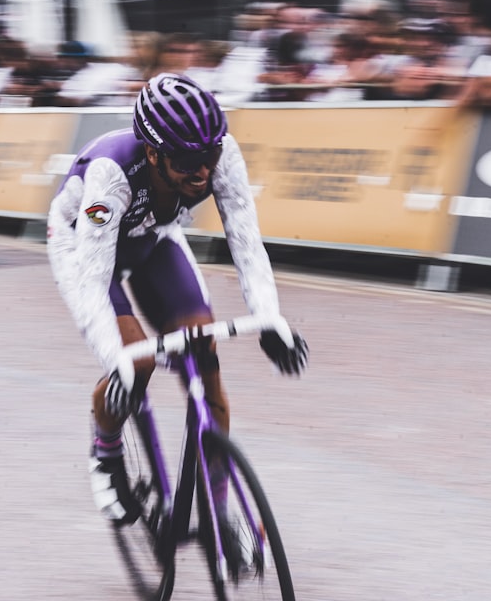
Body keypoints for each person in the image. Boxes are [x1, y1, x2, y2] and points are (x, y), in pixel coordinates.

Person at [46, 72, 308, 524]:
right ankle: (105, 452)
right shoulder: (110, 177)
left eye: (209, 155)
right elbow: (93, 280)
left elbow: (246, 241)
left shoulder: (222, 155)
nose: (203, 171)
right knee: (138, 363)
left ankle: (217, 514)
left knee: (202, 355)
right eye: (189, 161)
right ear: (152, 153)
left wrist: (268, 318)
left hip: (152, 235)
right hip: (83, 248)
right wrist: (119, 361)